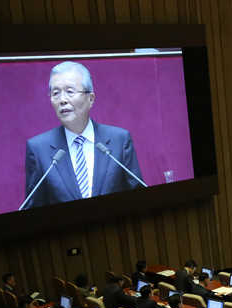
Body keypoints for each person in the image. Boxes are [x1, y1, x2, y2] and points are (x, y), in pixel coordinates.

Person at [24, 61, 144, 209]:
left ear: (90, 99)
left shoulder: (119, 140)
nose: (62, 100)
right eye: (56, 93)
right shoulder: (38, 149)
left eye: (70, 91)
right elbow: (34, 210)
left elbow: (138, 198)